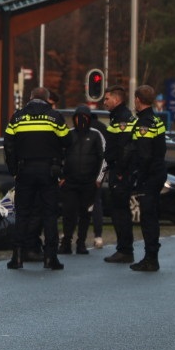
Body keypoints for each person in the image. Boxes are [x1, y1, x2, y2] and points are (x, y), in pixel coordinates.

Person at [2, 86, 70, 270]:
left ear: (30, 97)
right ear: (48, 99)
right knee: (49, 215)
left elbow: (8, 144)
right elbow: (67, 141)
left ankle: (17, 257)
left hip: (24, 171)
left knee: (22, 214)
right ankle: (50, 258)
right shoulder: (55, 117)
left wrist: (13, 168)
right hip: (49, 172)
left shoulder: (17, 117)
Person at [126, 84, 170, 272]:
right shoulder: (157, 120)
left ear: (137, 99)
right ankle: (151, 256)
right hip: (158, 171)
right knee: (152, 216)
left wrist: (138, 177)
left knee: (148, 218)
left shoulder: (143, 123)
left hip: (149, 175)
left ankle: (151, 258)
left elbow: (143, 155)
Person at [58, 104, 106, 255]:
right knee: (68, 213)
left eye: (84, 118)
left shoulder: (96, 135)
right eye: (78, 118)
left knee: (85, 214)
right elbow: (58, 155)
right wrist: (61, 177)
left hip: (89, 183)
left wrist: (98, 179)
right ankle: (66, 243)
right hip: (70, 182)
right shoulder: (68, 134)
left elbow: (104, 158)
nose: (81, 121)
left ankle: (81, 243)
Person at [99, 85, 137, 265]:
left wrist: (120, 172)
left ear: (117, 99)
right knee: (119, 211)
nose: (104, 102)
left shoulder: (122, 119)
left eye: (107, 99)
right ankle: (123, 249)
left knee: (120, 212)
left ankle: (124, 250)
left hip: (120, 172)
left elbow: (124, 147)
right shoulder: (118, 117)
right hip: (119, 170)